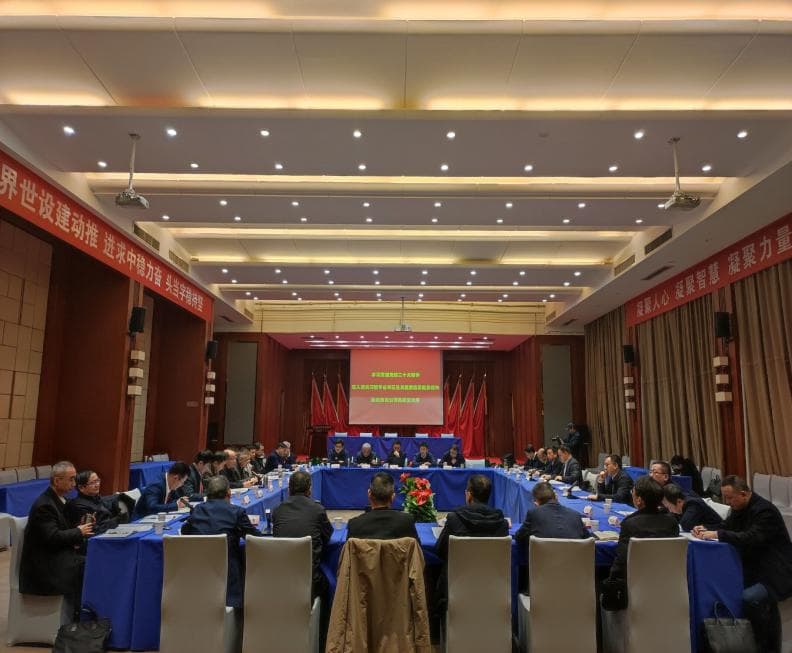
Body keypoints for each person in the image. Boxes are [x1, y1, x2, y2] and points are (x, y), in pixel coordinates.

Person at [693, 476, 792, 652]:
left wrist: (718, 534)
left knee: (749, 598)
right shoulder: (739, 508)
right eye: (725, 498)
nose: (727, 502)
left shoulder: (765, 511)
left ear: (744, 494)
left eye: (730, 498)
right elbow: (725, 526)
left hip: (775, 572)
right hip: (753, 568)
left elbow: (751, 538)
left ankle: (763, 645)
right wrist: (705, 528)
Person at [20, 461, 93, 611]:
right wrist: (79, 531)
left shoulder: (60, 500)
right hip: (45, 566)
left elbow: (62, 529)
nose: (74, 483)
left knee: (92, 557)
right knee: (90, 564)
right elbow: (53, 537)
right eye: (71, 479)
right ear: (57, 481)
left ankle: (83, 609)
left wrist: (79, 526)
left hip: (57, 555)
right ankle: (79, 612)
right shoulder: (45, 506)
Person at [181, 476, 263, 609]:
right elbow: (255, 538)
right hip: (228, 575)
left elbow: (185, 531)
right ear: (229, 493)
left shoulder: (198, 510)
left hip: (199, 572)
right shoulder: (237, 512)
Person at [601, 476, 679, 609]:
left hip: (633, 590)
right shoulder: (672, 522)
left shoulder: (630, 524)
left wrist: (610, 580)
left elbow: (621, 562)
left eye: (633, 492)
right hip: (668, 585)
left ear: (639, 500)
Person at [272, 471, 333, 600]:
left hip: (280, 578)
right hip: (310, 580)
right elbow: (327, 535)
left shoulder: (277, 510)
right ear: (309, 489)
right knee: (330, 583)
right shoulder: (318, 509)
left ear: (289, 489)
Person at [436, 474, 509, 559]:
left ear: (469, 495)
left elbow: (440, 550)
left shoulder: (454, 518)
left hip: (459, 567)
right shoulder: (502, 523)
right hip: (492, 567)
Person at [347, 472, 419, 540]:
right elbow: (415, 547)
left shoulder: (354, 524)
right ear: (393, 497)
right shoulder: (407, 521)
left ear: (369, 494)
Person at [515, 481, 589, 544]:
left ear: (536, 502)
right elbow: (589, 541)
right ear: (556, 497)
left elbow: (518, 538)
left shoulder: (533, 513)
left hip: (542, 556)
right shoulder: (575, 515)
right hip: (572, 556)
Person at [65, 470, 123, 536]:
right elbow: (92, 531)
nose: (97, 485)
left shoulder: (96, 498)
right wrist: (117, 520)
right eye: (92, 483)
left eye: (97, 481)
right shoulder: (79, 506)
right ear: (81, 488)